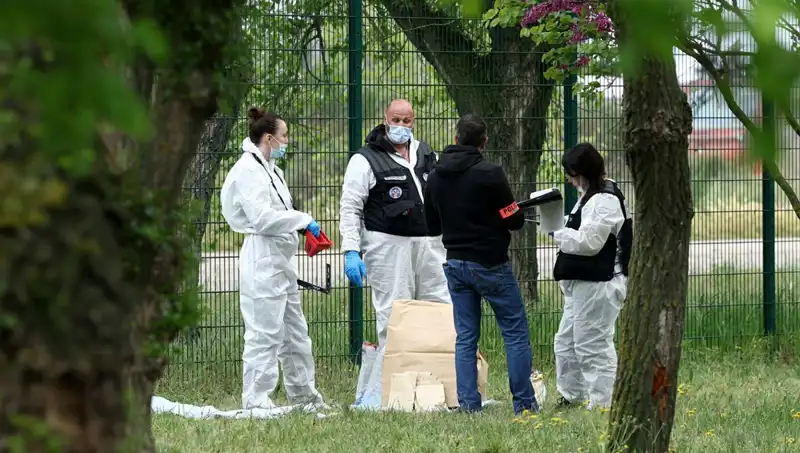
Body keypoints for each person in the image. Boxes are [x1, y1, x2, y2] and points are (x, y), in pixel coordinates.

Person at [423, 113, 539, 415]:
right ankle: (524, 403)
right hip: (490, 263)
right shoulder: (491, 173)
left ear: (455, 139)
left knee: (465, 337)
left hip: (455, 263)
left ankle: (468, 404)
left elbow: (432, 227)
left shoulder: (434, 176)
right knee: (514, 331)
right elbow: (513, 219)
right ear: (483, 142)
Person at [339, 99, 451, 404]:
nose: (401, 126)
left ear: (414, 121)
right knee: (395, 317)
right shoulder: (365, 159)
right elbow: (350, 207)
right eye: (396, 120)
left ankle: (438, 390)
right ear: (385, 119)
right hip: (388, 246)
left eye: (407, 120)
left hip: (429, 244)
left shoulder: (425, 153)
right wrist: (351, 250)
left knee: (440, 311)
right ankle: (389, 394)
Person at [220, 107, 325, 410]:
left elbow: (278, 213)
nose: (287, 141)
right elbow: (263, 219)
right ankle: (256, 401)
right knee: (264, 334)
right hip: (262, 259)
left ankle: (304, 397)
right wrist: (303, 220)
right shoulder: (248, 170)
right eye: (284, 135)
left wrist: (300, 227)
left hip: (280, 260)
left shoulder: (271, 169)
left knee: (295, 333)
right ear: (269, 138)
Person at [551, 142, 632, 411]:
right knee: (565, 342)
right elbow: (582, 226)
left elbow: (589, 242)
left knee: (592, 344)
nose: (569, 179)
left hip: (600, 283)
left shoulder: (604, 199)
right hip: (584, 283)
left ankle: (603, 403)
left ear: (583, 172)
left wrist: (556, 232)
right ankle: (572, 396)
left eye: (571, 173)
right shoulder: (590, 195)